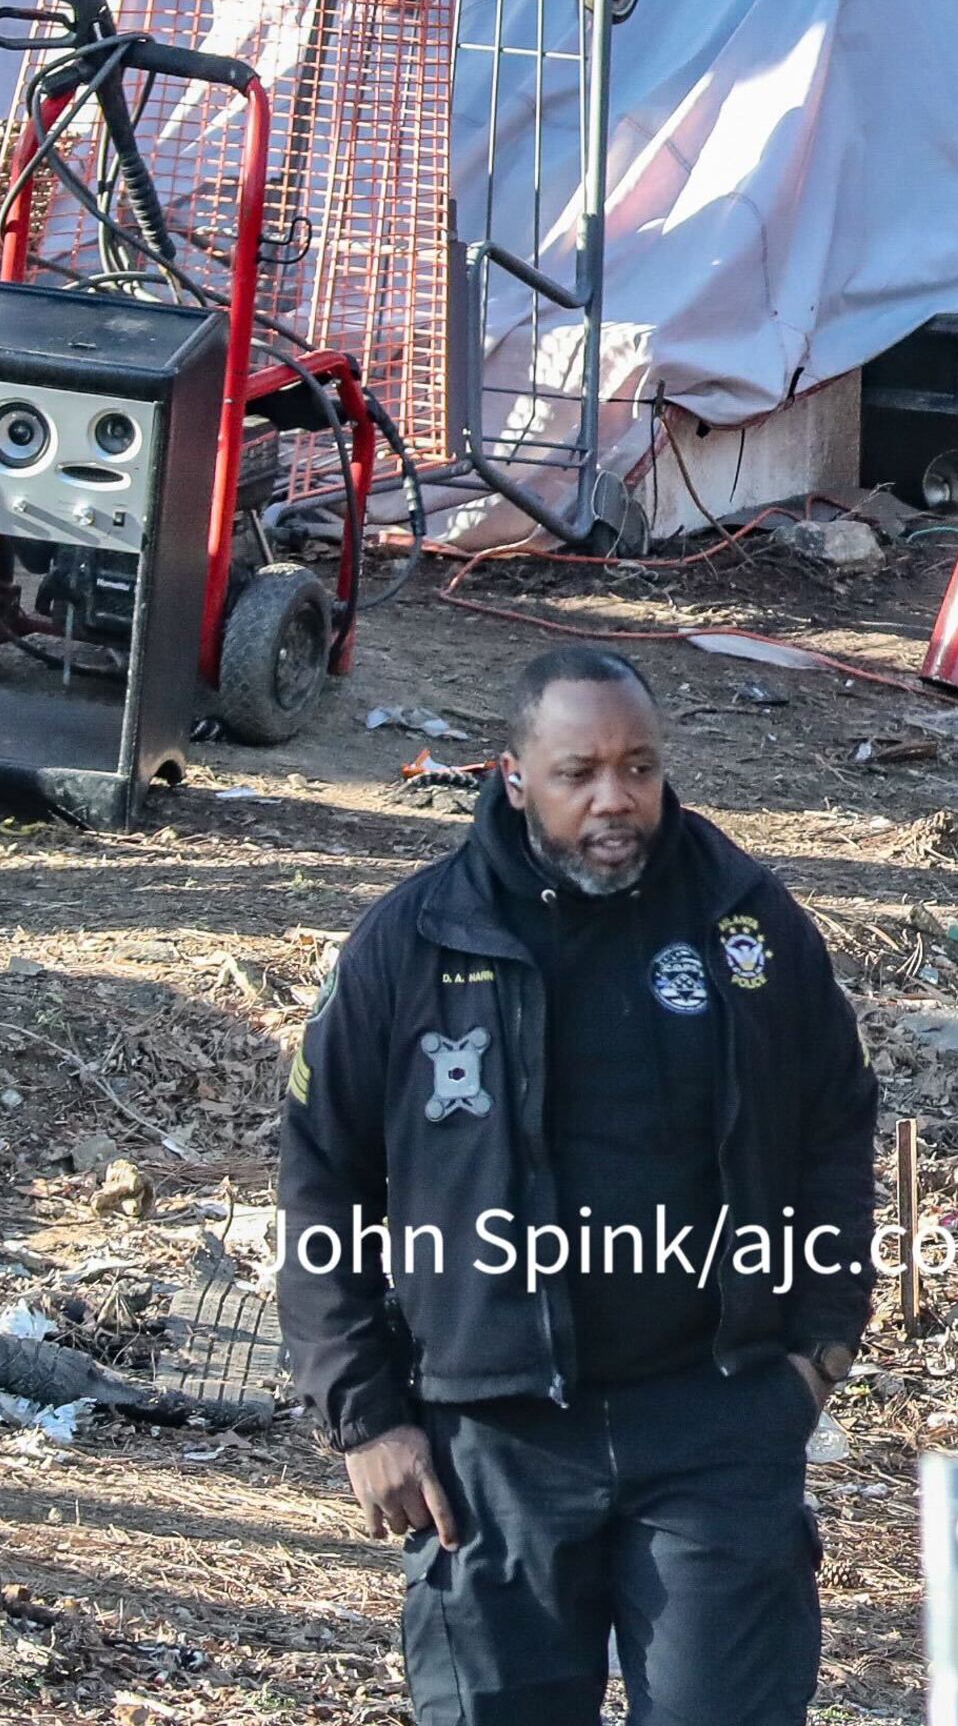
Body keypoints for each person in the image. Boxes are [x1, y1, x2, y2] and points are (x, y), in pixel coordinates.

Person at [279, 645, 877, 1726]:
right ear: (514, 775)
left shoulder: (749, 923)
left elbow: (837, 1126)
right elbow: (322, 1178)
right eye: (580, 771)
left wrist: (817, 1345)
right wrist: (367, 1416)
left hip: (714, 1417)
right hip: (489, 1437)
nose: (617, 799)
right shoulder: (411, 943)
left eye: (639, 767)